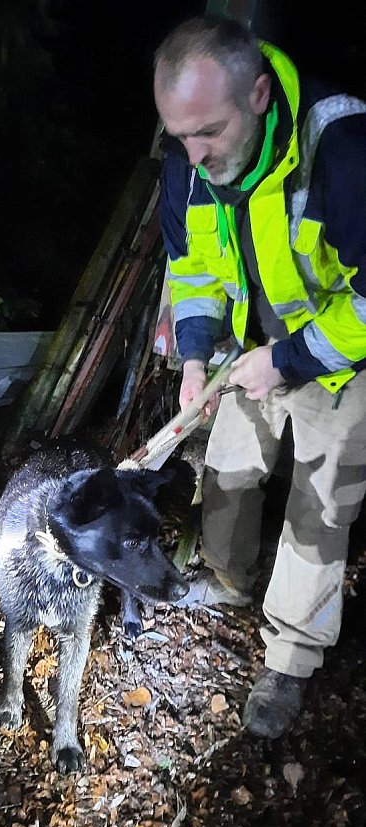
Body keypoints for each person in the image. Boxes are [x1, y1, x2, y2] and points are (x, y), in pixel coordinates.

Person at [152, 14, 366, 739]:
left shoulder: (341, 150)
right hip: (248, 351)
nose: (192, 152)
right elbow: (195, 268)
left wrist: (292, 359)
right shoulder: (187, 163)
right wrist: (193, 356)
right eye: (178, 135)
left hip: (340, 357)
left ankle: (291, 658)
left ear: (260, 96)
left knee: (320, 505)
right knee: (229, 469)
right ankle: (229, 580)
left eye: (206, 131)